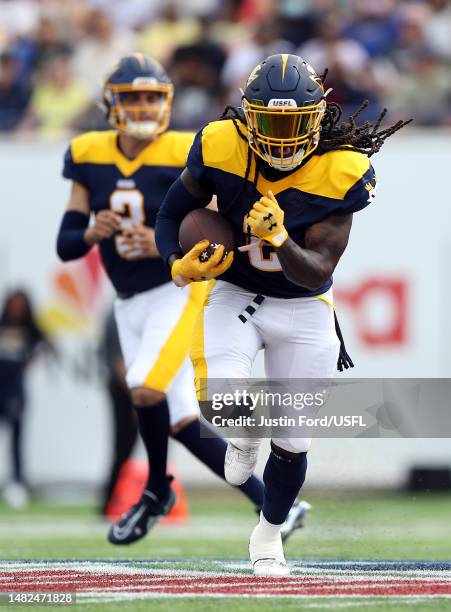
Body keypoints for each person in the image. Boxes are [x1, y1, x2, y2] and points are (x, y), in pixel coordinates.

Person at [155, 53, 411, 576]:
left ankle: (269, 535)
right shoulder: (221, 145)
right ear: (248, 118)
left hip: (304, 307)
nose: (280, 137)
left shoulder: (343, 171)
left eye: (292, 123)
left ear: (316, 119)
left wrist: (279, 237)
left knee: (292, 441)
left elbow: (316, 272)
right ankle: (246, 431)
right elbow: (171, 213)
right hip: (236, 292)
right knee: (220, 405)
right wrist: (175, 262)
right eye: (269, 122)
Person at [56, 54, 308, 546]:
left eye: (153, 96)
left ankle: (155, 491)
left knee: (145, 389)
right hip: (127, 301)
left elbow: (216, 223)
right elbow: (66, 242)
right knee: (180, 420)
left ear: (168, 101)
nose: (145, 106)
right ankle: (276, 503)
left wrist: (171, 243)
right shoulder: (88, 152)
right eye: (134, 97)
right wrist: (92, 230)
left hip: (176, 290)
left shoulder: (185, 149)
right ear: (112, 102)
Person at [0, 289, 54, 508]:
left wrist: (31, 357)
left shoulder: (31, 330)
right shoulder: (2, 325)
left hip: (15, 389)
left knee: (16, 437)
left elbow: (47, 346)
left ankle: (17, 482)